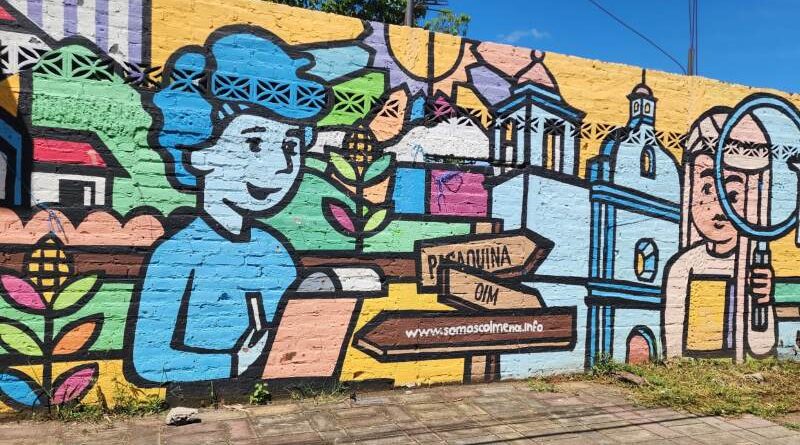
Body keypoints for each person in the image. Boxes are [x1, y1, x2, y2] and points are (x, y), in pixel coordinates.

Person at [129, 29, 326, 383]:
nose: (282, 165)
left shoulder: (276, 252)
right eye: (254, 143)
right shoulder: (176, 255)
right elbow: (148, 360)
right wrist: (233, 364)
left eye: (291, 146)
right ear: (199, 152)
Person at [664, 109, 774, 360]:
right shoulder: (684, 266)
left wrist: (763, 302)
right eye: (707, 190)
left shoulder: (751, 267)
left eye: (733, 195)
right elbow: (673, 345)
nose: (719, 208)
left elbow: (762, 348)